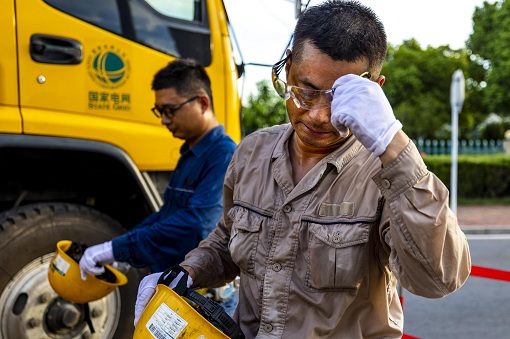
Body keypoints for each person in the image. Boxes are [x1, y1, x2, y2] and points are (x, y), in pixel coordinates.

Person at [134, 1, 471, 337]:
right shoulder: (252, 152)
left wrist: (393, 146)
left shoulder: (386, 172)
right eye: (306, 92)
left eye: (340, 98)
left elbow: (438, 279)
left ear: (374, 90)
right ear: (288, 68)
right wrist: (188, 271)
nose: (318, 116)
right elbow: (227, 239)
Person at [78, 59, 238, 312]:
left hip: (204, 300)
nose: (164, 120)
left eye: (170, 110)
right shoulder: (189, 154)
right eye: (159, 111)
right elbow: (166, 216)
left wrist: (118, 249)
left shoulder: (224, 155)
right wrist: (122, 248)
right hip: (178, 293)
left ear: (202, 103)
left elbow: (195, 224)